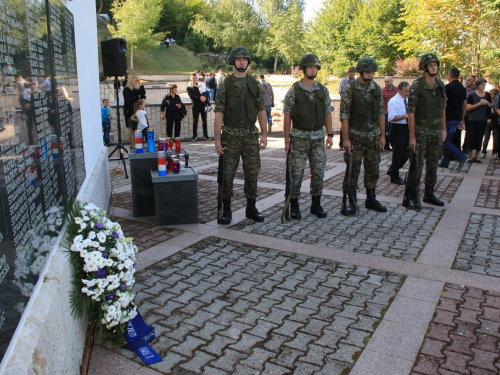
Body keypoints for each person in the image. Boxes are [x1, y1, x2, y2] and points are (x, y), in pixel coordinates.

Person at [214, 46, 268, 224]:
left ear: (248, 62)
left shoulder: (255, 84)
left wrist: (264, 135)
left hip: (250, 136)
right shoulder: (225, 85)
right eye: (238, 59)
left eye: (244, 59)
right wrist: (216, 139)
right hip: (230, 135)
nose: (242, 62)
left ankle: (251, 207)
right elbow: (219, 113)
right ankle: (227, 209)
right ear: (233, 62)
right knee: (227, 174)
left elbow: (261, 110)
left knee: (252, 173)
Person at [283, 54, 333, 219]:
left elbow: (327, 113)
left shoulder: (323, 90)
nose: (313, 70)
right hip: (298, 138)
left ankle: (316, 204)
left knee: (318, 172)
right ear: (303, 69)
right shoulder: (294, 91)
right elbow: (287, 116)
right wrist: (286, 140)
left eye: (315, 67)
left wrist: (330, 134)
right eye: (310, 67)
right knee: (296, 173)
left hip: (318, 137)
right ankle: (294, 204)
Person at [340, 56, 387, 214]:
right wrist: (346, 139)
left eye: (372, 72)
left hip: (373, 137)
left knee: (373, 168)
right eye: (367, 72)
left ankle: (371, 198)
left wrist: (382, 136)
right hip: (356, 137)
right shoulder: (350, 89)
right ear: (360, 71)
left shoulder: (376, 89)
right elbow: (344, 115)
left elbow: (381, 112)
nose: (370, 74)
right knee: (353, 169)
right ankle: (351, 200)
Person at [406, 53, 447, 210]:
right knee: (417, 164)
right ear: (424, 68)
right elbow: (411, 112)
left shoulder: (440, 85)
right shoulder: (417, 86)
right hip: (421, 130)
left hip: (436, 131)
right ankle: (412, 196)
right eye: (430, 65)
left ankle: (429, 193)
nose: (434, 67)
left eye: (435, 65)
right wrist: (412, 136)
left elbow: (443, 107)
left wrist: (443, 128)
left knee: (433, 163)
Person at [439, 68, 468, 169]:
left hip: (449, 117)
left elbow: (443, 104)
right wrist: (462, 118)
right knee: (449, 139)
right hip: (457, 116)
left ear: (449, 76)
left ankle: (461, 156)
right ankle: (445, 161)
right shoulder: (462, 88)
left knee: (445, 139)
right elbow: (465, 105)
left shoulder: (448, 87)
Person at [386, 82, 410, 185]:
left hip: (406, 128)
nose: (407, 93)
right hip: (397, 128)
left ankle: (392, 169)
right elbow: (392, 118)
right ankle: (394, 176)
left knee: (406, 153)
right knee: (398, 153)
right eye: (405, 91)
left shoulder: (407, 100)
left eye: (408, 91)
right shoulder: (394, 101)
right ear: (399, 90)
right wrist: (405, 116)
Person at [465, 78, 493, 163]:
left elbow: (491, 106)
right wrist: (479, 103)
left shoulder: (487, 95)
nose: (483, 86)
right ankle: (470, 156)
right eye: (481, 85)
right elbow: (468, 107)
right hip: (472, 119)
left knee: (479, 137)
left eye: (484, 85)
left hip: (482, 119)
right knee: (470, 137)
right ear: (477, 85)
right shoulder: (472, 95)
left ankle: (477, 156)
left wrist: (487, 103)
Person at [123, 75, 146, 148]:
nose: (136, 82)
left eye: (137, 80)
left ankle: (137, 143)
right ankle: (132, 144)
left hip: (136, 111)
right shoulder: (126, 90)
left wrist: (140, 84)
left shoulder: (135, 90)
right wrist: (135, 110)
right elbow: (127, 102)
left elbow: (142, 94)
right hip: (129, 111)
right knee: (131, 128)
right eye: (135, 80)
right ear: (131, 81)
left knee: (136, 128)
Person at [338, 67, 356, 150]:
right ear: (348, 73)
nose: (352, 75)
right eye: (351, 73)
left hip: (353, 106)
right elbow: (341, 92)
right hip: (345, 105)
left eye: (353, 73)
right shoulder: (344, 81)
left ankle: (351, 143)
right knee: (344, 124)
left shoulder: (355, 81)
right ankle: (341, 144)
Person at [187, 73, 209, 141]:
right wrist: (200, 98)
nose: (194, 79)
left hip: (203, 105)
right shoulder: (189, 87)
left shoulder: (200, 85)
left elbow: (206, 92)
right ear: (191, 79)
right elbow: (192, 96)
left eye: (195, 78)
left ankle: (206, 135)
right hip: (196, 105)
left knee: (204, 120)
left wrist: (205, 98)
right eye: (193, 78)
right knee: (195, 121)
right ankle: (194, 136)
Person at [382, 76, 398, 150]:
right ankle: (385, 145)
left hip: (394, 112)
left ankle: (393, 144)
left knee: (393, 129)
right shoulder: (382, 91)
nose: (386, 83)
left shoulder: (397, 90)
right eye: (385, 82)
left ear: (392, 81)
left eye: (388, 82)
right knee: (385, 129)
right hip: (385, 112)